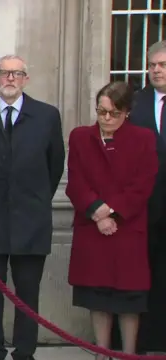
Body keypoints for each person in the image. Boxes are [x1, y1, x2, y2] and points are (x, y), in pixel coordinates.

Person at [0, 55, 65, 360]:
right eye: (4, 73)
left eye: (17, 73)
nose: (10, 78)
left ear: (26, 79)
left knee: (28, 292)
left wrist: (34, 198)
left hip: (31, 219)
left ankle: (24, 352)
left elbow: (55, 165)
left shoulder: (46, 116)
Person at [66, 81, 158, 358]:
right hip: (93, 228)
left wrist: (111, 210)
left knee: (129, 299)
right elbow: (76, 182)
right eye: (101, 111)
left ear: (127, 112)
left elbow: (143, 184)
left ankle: (128, 354)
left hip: (127, 228)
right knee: (98, 296)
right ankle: (101, 352)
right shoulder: (81, 137)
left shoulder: (143, 139)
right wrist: (96, 212)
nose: (106, 118)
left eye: (113, 113)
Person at [129, 40, 166, 353]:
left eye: (163, 65)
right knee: (142, 276)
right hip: (142, 206)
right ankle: (141, 342)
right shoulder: (134, 102)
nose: (156, 70)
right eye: (152, 64)